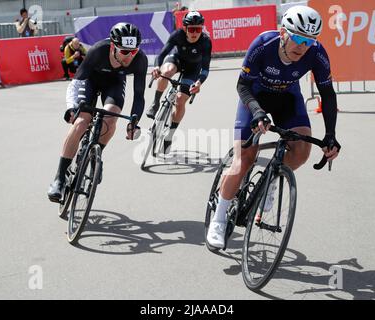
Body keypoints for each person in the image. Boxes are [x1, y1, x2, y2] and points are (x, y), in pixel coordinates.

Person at [206, 5, 341, 248]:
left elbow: (328, 95)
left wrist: (331, 135)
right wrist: (257, 112)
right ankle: (218, 219)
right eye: (298, 38)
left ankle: (270, 181)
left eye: (309, 41)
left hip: (287, 98)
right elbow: (242, 86)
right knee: (244, 159)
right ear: (283, 33)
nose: (302, 46)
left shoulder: (316, 53)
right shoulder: (263, 44)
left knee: (301, 151)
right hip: (255, 98)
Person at [47, 23, 148, 202]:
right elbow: (77, 81)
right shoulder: (98, 50)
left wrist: (134, 122)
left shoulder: (140, 59)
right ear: (113, 46)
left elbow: (139, 95)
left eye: (133, 51)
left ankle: (96, 155)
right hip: (89, 82)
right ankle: (60, 178)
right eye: (124, 52)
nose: (130, 56)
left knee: (111, 118)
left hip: (114, 84)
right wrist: (71, 107)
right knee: (81, 122)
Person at [145, 11, 212, 154]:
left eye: (198, 29)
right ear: (185, 28)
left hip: (193, 68)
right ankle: (156, 103)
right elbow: (162, 54)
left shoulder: (205, 42)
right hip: (176, 60)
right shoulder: (177, 35)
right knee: (167, 72)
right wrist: (157, 67)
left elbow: (205, 68)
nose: (195, 33)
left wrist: (199, 82)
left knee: (180, 100)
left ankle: (170, 134)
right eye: (191, 29)